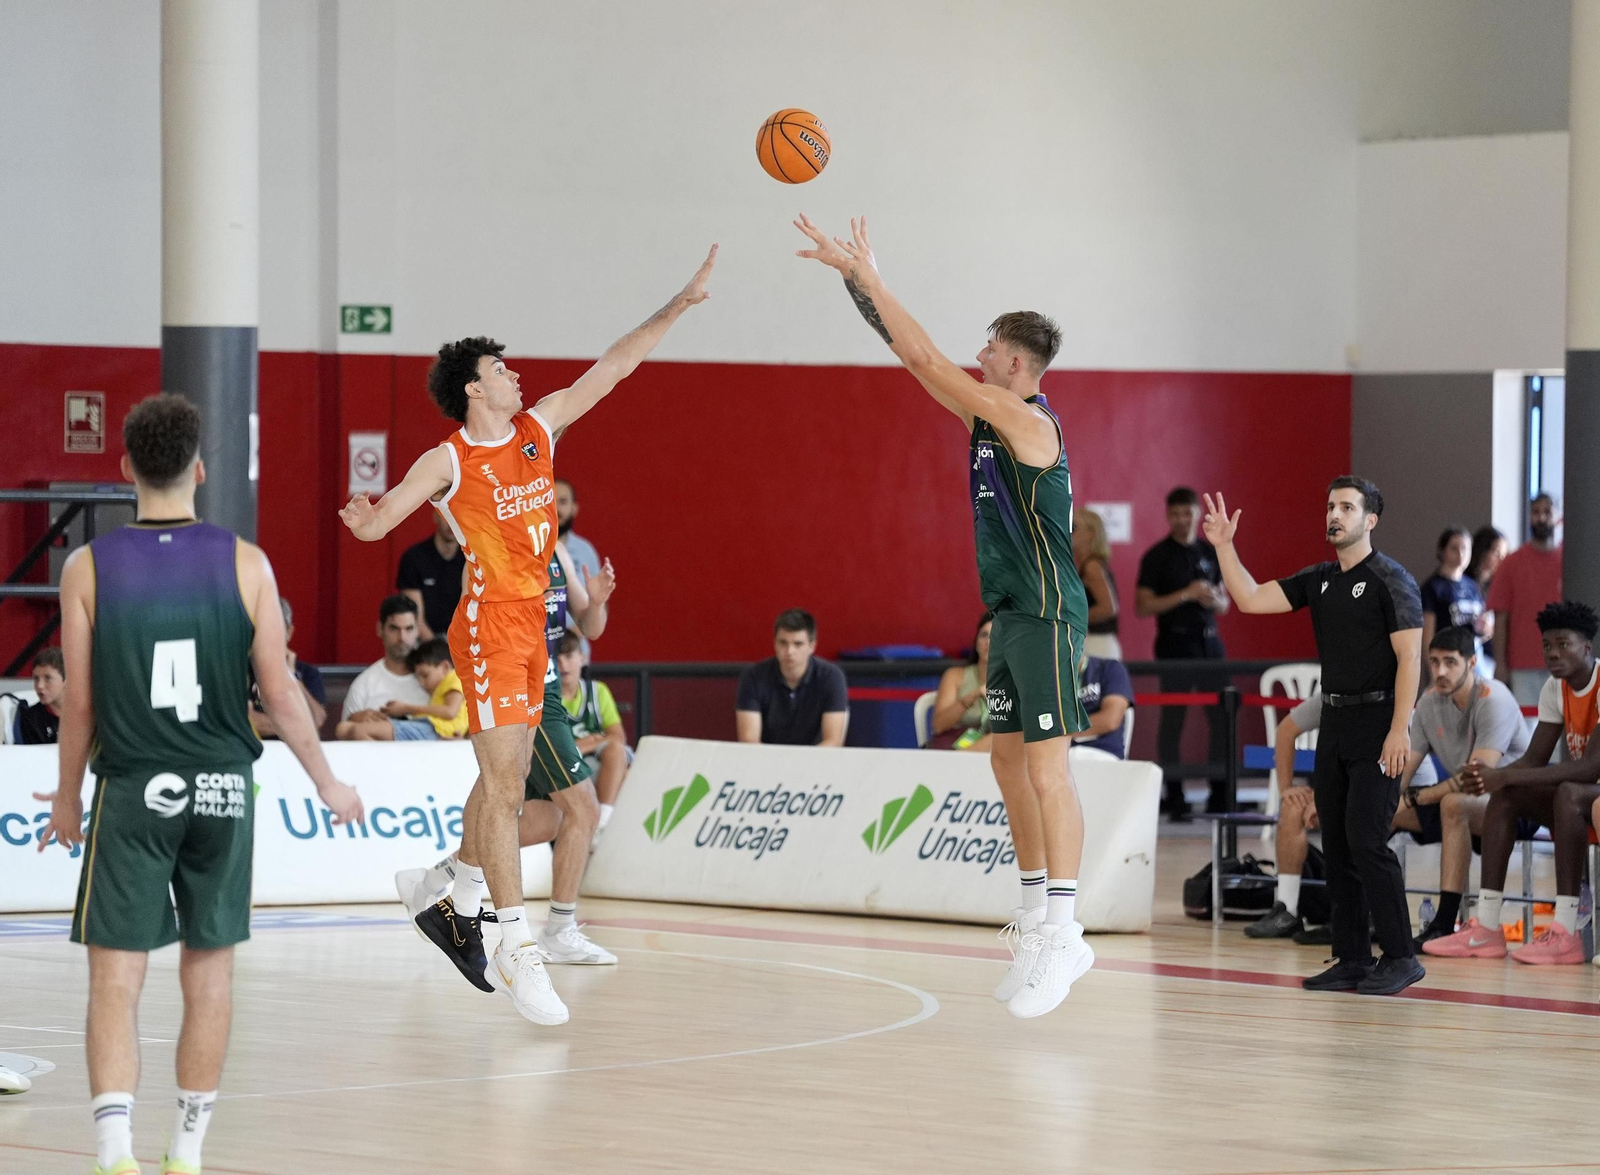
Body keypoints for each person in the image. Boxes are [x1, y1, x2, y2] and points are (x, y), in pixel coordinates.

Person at [342, 244, 715, 1025]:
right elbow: (383, 520)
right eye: (502, 369)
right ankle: (516, 946)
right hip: (485, 628)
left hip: (536, 627)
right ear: (475, 387)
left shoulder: (540, 430)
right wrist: (366, 516)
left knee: (498, 776)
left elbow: (612, 367)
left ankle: (445, 886)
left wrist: (677, 307)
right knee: (509, 788)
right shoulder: (450, 457)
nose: (517, 375)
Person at [34, 393, 362, 1175]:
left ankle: (115, 1150)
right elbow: (280, 694)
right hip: (222, 788)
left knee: (117, 978)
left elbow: (77, 701)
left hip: (134, 787)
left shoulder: (87, 567)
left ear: (124, 470)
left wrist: (69, 793)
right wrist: (328, 781)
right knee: (208, 976)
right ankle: (186, 1147)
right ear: (201, 469)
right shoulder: (247, 562)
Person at [795, 212, 1094, 1018]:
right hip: (1005, 613)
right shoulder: (984, 421)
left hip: (1047, 612)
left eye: (991, 346)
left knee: (1046, 768)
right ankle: (1035, 917)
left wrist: (877, 275)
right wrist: (857, 282)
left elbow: (926, 353)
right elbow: (910, 357)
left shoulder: (1029, 423)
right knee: (1003, 762)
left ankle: (1066, 933)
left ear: (1019, 362)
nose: (979, 353)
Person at [1204, 476, 1426, 996]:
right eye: (1331, 506)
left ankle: (1401, 955)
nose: (1335, 514)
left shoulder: (1393, 580)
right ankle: (1351, 958)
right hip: (1334, 723)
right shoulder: (1320, 578)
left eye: (1347, 507)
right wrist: (1225, 547)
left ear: (1370, 520)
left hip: (1378, 724)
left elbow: (1410, 657)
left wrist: (1400, 729)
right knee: (1341, 843)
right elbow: (1252, 599)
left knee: (1369, 840)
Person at [396, 541, 618, 968]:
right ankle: (558, 929)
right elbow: (471, 630)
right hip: (523, 691)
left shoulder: (557, 551)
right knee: (582, 811)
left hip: (543, 687)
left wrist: (597, 601)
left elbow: (590, 628)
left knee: (542, 817)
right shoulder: (489, 549)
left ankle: (431, 881)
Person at [1248, 628, 1528, 947]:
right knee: (1345, 810)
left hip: (1509, 802)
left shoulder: (1484, 699)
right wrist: (1307, 793)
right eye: (1433, 662)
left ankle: (1411, 919)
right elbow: (1399, 775)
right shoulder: (1426, 701)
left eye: (1449, 662)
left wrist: (1407, 797)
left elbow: (1475, 776)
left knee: (1417, 807)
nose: (1439, 671)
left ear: (1472, 663)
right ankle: (1327, 913)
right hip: (1439, 796)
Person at [1428, 601, 1600, 965]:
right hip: (1582, 799)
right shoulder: (1555, 689)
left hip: (1590, 794)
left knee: (1567, 791)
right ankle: (1487, 928)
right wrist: (1489, 780)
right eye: (1547, 646)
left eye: (1563, 644)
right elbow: (1534, 760)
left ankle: (1566, 932)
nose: (1553, 653)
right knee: (1507, 796)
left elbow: (1590, 768)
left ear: (1588, 648)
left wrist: (1504, 773)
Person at [1136, 486, 1230, 819]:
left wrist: (1211, 599)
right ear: (1167, 515)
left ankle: (1221, 795)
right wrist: (1185, 595)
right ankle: (1174, 797)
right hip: (1175, 644)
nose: (1181, 520)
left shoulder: (1209, 551)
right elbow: (1142, 605)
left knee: (1221, 719)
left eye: (1186, 513)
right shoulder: (1157, 556)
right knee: (1172, 721)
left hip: (1210, 643)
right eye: (1174, 514)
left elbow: (1225, 602)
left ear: (1196, 514)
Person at [555, 631, 631, 842]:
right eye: (557, 658)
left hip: (597, 759)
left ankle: (602, 825)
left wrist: (581, 746)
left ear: (583, 658)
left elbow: (617, 737)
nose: (563, 665)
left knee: (618, 753)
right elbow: (557, 749)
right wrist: (591, 740)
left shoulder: (598, 691)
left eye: (569, 657)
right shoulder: (547, 699)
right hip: (569, 766)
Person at [735, 608, 850, 746]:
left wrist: (803, 765)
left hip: (815, 761)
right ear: (774, 643)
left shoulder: (832, 677)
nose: (790, 651)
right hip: (767, 761)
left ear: (812, 646)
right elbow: (749, 741)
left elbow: (833, 741)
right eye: (783, 643)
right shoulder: (753, 676)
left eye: (798, 644)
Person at [1489, 494, 1563, 706]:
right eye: (1536, 512)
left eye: (1547, 512)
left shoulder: (1569, 562)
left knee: (1563, 734)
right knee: (1527, 733)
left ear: (1558, 518)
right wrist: (1500, 665)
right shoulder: (1511, 564)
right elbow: (1500, 617)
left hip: (1563, 663)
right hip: (1521, 666)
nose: (1541, 518)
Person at [337, 637, 466, 740]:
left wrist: (405, 708)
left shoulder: (455, 678)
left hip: (434, 730)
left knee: (360, 731)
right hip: (425, 726)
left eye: (425, 675)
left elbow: (450, 711)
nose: (421, 683)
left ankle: (385, 764)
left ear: (445, 667)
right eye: (418, 677)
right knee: (342, 729)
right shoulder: (442, 687)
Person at [337, 595, 430, 737]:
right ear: (380, 629)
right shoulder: (363, 685)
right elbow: (346, 740)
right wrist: (355, 720)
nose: (402, 638)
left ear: (418, 630)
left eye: (409, 629)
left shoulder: (437, 679)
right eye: (394, 629)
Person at [249, 597, 327, 738]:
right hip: (257, 751)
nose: (269, 635)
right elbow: (249, 721)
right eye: (262, 627)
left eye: (276, 627)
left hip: (295, 755)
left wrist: (293, 679)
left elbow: (317, 720)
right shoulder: (239, 671)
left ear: (289, 632)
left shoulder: (308, 673)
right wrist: (300, 724)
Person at [1418, 527, 1484, 672]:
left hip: (1474, 658)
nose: (1461, 554)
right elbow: (1427, 634)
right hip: (1447, 659)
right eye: (1454, 548)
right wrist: (1432, 668)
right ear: (1442, 551)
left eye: (1465, 548)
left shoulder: (1472, 586)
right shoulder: (1433, 587)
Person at [397, 511, 466, 641]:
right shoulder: (414, 558)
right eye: (446, 516)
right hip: (424, 644)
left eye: (457, 516)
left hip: (463, 643)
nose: (451, 523)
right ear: (435, 516)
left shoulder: (472, 560)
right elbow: (416, 617)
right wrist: (439, 651)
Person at [930, 612, 992, 750]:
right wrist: (972, 696)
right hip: (955, 745)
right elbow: (938, 726)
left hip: (999, 754)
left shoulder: (1016, 679)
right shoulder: (955, 675)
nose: (988, 641)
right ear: (976, 643)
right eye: (984, 635)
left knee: (1009, 736)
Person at [1073, 508, 1121, 659]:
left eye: (1073, 527)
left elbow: (1108, 608)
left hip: (1098, 645)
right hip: (1095, 642)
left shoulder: (1092, 566)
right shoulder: (1090, 565)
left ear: (1091, 533)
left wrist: (1072, 619)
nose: (1067, 532)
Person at [1071, 653, 1133, 758]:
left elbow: (1110, 720)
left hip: (1102, 753)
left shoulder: (1110, 668)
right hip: (1058, 757)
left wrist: (1061, 733)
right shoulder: (1046, 679)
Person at [1467, 525, 1507, 678]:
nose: (1501, 560)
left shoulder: (1497, 587)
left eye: (1504, 555)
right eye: (1496, 553)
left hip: (1490, 662)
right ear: (1482, 551)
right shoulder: (1466, 585)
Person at [555, 479, 602, 584]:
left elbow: (598, 597)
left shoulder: (585, 550)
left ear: (574, 509)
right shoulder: (529, 547)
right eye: (550, 501)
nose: (555, 508)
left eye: (562, 502)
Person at [16, 646, 65, 744]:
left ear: (66, 679)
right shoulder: (30, 719)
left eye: (48, 678)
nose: (40, 685)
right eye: (36, 679)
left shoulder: (85, 713)